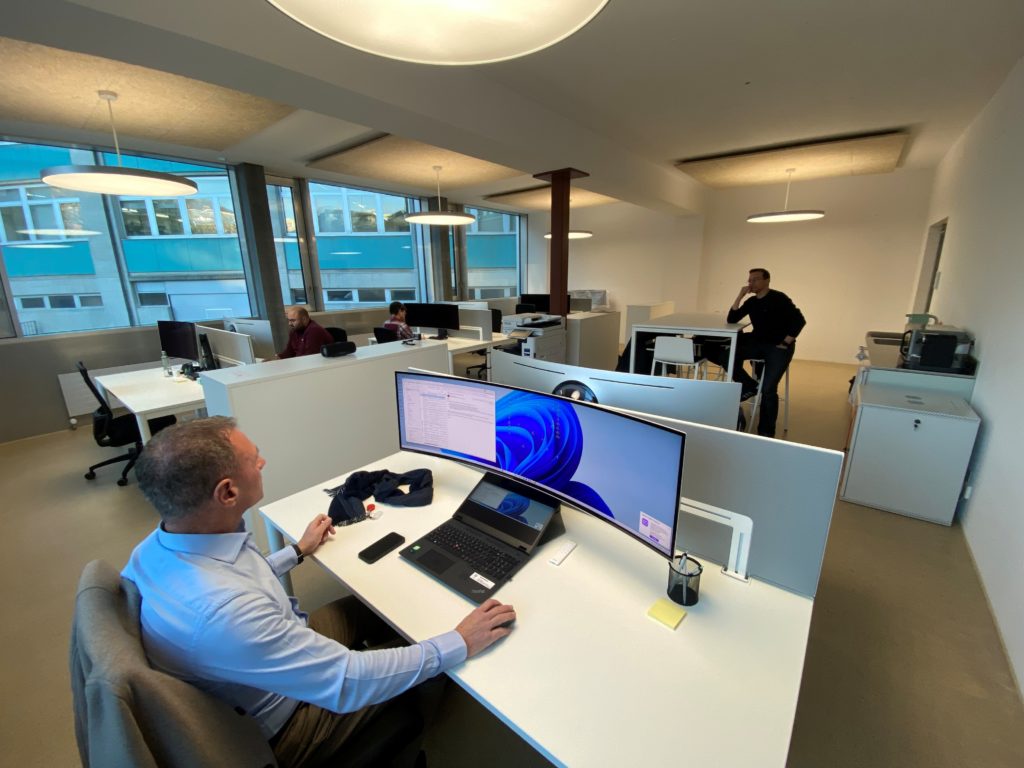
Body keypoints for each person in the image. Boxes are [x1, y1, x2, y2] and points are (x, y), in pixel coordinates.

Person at [122, 416, 515, 767]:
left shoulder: (158, 548)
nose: (262, 462)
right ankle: (421, 735)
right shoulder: (226, 614)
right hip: (286, 723)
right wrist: (459, 642)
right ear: (227, 493)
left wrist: (296, 551)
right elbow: (348, 680)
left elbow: (237, 581)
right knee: (430, 651)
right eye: (253, 459)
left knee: (368, 609)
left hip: (258, 666)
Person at [716, 268, 805, 438]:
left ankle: (765, 433)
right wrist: (740, 296)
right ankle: (749, 385)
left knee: (768, 389)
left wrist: (786, 342)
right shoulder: (751, 302)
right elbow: (732, 319)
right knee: (726, 355)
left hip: (779, 346)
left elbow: (800, 320)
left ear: (767, 280)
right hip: (758, 342)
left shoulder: (779, 298)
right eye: (750, 280)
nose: (751, 283)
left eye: (755, 279)